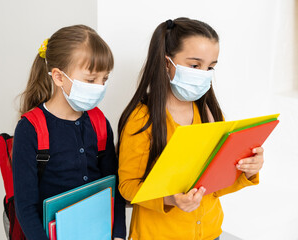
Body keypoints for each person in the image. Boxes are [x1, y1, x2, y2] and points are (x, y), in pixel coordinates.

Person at [117, 18, 263, 240]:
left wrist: (248, 169)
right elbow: (127, 187)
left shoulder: (210, 114)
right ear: (167, 63)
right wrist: (170, 199)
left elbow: (215, 187)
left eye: (210, 67)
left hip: (211, 233)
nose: (204, 73)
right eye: (195, 65)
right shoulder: (142, 118)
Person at [13, 25, 126, 240]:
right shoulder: (29, 129)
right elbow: (25, 207)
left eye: (105, 79)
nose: (100, 87)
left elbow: (114, 184)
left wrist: (119, 234)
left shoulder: (99, 122)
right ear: (58, 77)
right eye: (91, 80)